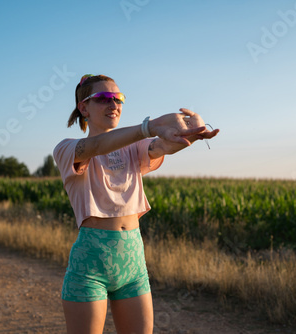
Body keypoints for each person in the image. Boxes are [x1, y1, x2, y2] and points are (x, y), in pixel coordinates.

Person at [53, 74, 219, 334]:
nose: (114, 104)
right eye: (103, 98)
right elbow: (97, 145)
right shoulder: (67, 148)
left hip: (133, 262)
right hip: (90, 266)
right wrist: (148, 126)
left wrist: (191, 133)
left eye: (119, 98)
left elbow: (163, 145)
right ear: (83, 107)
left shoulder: (134, 147)